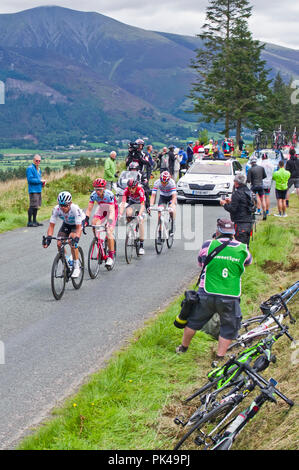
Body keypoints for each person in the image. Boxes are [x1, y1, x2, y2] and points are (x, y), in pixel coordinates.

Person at [176, 218, 252, 362]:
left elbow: (200, 263)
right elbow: (248, 262)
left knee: (193, 321)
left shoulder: (208, 244)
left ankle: (183, 348)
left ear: (218, 231)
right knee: (229, 326)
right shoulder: (242, 248)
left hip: (207, 292)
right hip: (230, 294)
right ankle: (219, 358)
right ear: (233, 232)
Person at [43, 191, 85, 278]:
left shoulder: (75, 209)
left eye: (65, 205)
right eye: (60, 205)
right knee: (59, 243)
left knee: (71, 241)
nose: (63, 208)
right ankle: (66, 264)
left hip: (77, 224)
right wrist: (49, 239)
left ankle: (76, 266)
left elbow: (78, 228)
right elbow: (51, 226)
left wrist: (76, 239)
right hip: (66, 224)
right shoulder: (56, 209)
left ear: (70, 203)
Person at [85, 178, 118, 267]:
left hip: (112, 211)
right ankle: (99, 241)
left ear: (104, 188)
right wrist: (86, 219)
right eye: (96, 189)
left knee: (109, 231)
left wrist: (109, 221)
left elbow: (111, 211)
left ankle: (110, 257)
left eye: (99, 189)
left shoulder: (109, 195)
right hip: (102, 209)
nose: (97, 191)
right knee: (94, 223)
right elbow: (89, 209)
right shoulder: (93, 195)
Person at [220, 173, 254, 247]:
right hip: (249, 222)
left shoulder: (237, 193)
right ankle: (248, 258)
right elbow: (244, 204)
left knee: (239, 246)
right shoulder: (249, 192)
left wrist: (224, 204)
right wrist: (231, 202)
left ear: (236, 183)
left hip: (240, 223)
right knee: (246, 246)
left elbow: (233, 209)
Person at [119, 176, 146, 255]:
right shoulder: (126, 190)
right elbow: (123, 203)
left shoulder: (140, 190)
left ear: (136, 187)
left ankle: (141, 245)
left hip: (141, 204)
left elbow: (142, 204)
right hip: (132, 203)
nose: (131, 190)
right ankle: (131, 228)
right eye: (129, 188)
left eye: (133, 188)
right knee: (128, 212)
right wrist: (120, 214)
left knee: (140, 222)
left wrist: (140, 215)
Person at [26, 154, 46, 227]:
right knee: (32, 206)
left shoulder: (38, 169)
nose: (38, 162)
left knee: (36, 206)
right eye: (36, 160)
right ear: (33, 160)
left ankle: (34, 221)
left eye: (39, 161)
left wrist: (42, 184)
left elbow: (38, 179)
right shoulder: (30, 168)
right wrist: (40, 181)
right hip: (33, 190)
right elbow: (30, 180)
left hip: (38, 189)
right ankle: (29, 222)